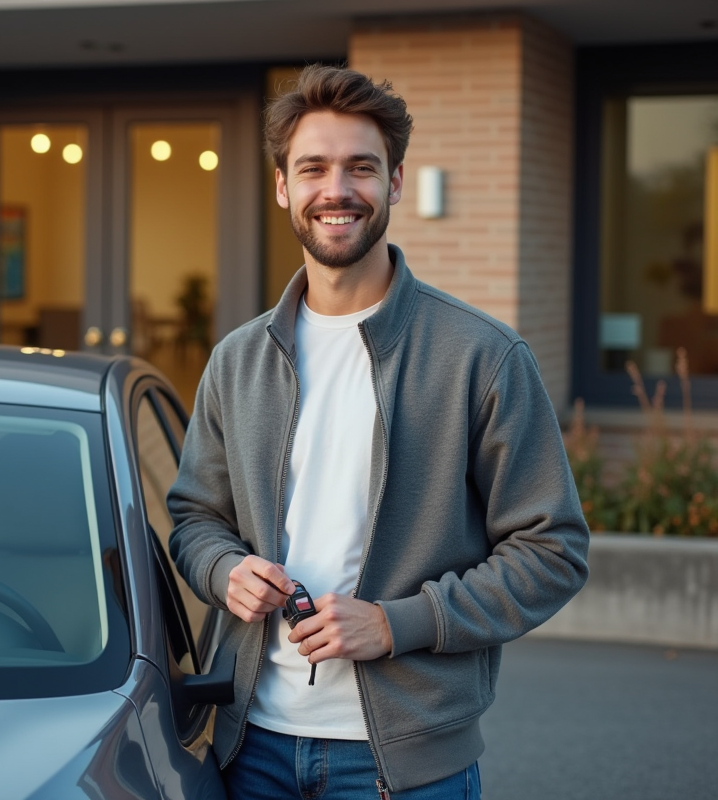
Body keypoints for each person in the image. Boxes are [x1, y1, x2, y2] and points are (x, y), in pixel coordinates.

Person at [167, 65, 589, 800]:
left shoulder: (481, 356)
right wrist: (223, 570)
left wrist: (399, 624)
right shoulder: (237, 360)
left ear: (394, 184)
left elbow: (552, 550)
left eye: (361, 167)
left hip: (406, 765)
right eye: (314, 168)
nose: (337, 189)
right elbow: (194, 516)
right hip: (248, 744)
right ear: (282, 187)